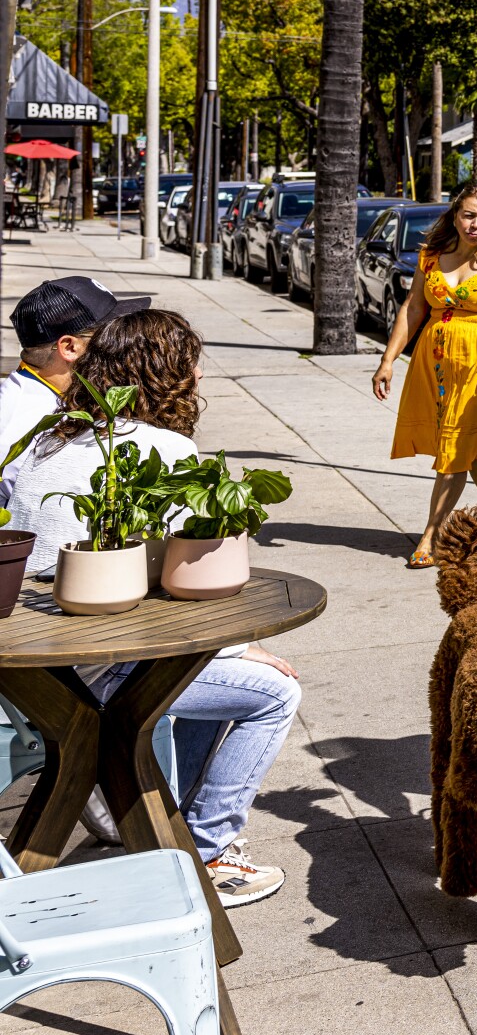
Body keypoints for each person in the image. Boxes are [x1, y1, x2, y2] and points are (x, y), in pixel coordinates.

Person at [9, 309, 301, 907]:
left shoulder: (45, 441)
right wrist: (246, 647)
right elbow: (187, 578)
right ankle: (209, 851)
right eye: (191, 367)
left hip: (35, 663)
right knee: (273, 691)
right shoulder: (165, 449)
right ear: (171, 377)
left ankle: (164, 822)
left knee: (206, 671)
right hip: (102, 663)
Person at [374, 184, 477, 568]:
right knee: (472, 451)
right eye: (468, 215)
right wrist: (388, 360)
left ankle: (431, 535)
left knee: (456, 449)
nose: (475, 224)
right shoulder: (432, 258)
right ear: (454, 216)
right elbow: (413, 309)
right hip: (436, 366)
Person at [0, 276, 150, 505]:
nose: (123, 341)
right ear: (70, 347)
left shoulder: (52, 395)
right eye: (111, 334)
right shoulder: (26, 430)